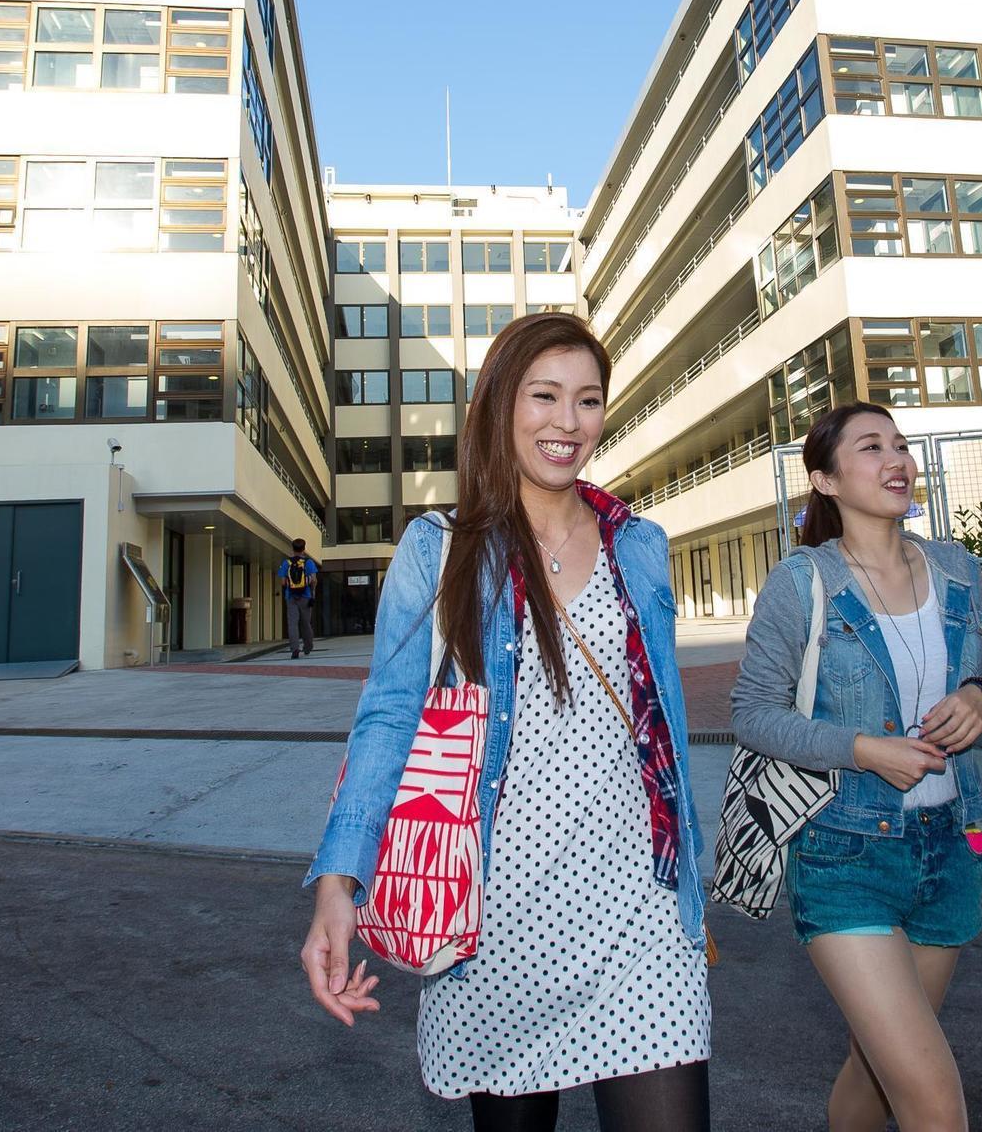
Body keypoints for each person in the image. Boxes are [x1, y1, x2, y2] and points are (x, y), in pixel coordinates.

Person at [302, 312, 712, 1131]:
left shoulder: (641, 544)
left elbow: (657, 728)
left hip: (637, 907)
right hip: (499, 916)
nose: (569, 422)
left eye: (588, 401)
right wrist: (338, 880)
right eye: (546, 396)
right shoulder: (442, 547)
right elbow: (387, 716)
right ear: (500, 404)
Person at [732, 401, 982, 1132]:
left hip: (952, 844)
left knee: (878, 1068)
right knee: (934, 1098)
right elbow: (754, 713)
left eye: (900, 444)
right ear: (825, 478)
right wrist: (863, 749)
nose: (896, 459)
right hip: (845, 851)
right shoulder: (803, 581)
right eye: (869, 448)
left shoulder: (954, 566)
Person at [277, 538, 319, 658]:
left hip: (291, 597)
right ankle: (308, 646)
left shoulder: (286, 563)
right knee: (306, 623)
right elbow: (314, 580)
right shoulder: (308, 562)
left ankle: (295, 649)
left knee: (292, 624)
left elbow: (283, 582)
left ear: (293, 548)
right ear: (304, 549)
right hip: (305, 596)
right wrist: (312, 592)